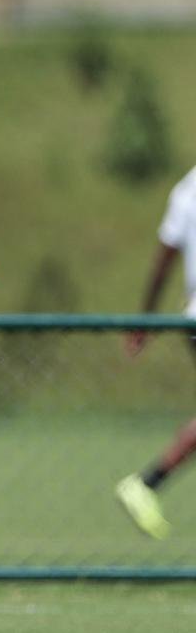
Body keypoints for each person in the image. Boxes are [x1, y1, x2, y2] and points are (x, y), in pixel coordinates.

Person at [116, 165, 196, 540]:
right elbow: (164, 260)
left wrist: (144, 319)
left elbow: (164, 261)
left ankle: (148, 483)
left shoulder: (186, 189)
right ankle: (147, 482)